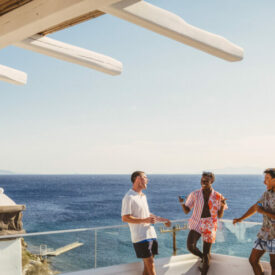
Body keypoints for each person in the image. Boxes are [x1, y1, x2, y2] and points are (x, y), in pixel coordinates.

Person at [121, 171, 171, 275]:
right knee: (150, 263)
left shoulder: (143, 196)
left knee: (148, 266)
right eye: (145, 177)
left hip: (151, 234)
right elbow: (125, 218)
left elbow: (147, 214)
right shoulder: (129, 197)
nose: (147, 180)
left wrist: (163, 220)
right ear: (138, 179)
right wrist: (144, 220)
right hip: (140, 237)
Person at [178, 171, 227, 275]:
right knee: (190, 246)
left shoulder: (218, 196)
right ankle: (203, 257)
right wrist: (182, 202)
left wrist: (222, 206)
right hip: (197, 223)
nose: (203, 182)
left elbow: (220, 215)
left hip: (210, 224)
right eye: (202, 180)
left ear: (212, 181)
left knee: (207, 252)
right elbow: (187, 211)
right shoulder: (195, 194)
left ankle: (204, 268)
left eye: (206, 181)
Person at [233, 168, 275, 275]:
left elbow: (261, 210)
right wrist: (241, 219)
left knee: (274, 265)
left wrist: (263, 212)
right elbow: (256, 207)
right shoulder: (267, 194)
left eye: (267, 178)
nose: (264, 181)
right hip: (264, 233)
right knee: (253, 260)